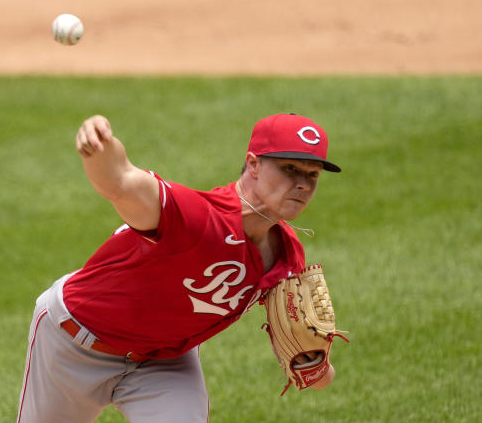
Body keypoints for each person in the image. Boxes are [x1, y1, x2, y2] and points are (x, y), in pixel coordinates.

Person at [17, 113, 342, 423]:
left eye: (312, 174)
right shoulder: (198, 218)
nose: (303, 184)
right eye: (289, 168)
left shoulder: (286, 255)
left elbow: (314, 369)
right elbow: (121, 181)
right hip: (72, 344)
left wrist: (313, 364)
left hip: (163, 362)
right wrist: (98, 146)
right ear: (254, 164)